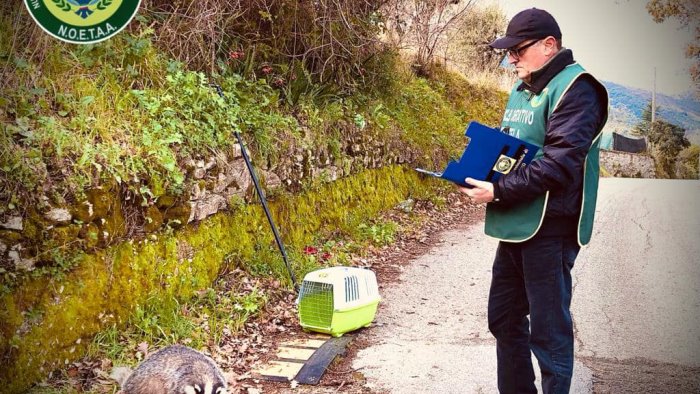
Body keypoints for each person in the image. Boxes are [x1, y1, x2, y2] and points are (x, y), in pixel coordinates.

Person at [459, 8, 608, 394]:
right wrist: (479, 173)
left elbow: (559, 164)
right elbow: (517, 150)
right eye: (508, 52)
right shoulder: (525, 86)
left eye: (518, 50)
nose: (511, 59)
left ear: (549, 45)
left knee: (548, 331)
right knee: (504, 318)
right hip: (517, 221)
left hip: (551, 227)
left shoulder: (579, 89)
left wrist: (499, 190)